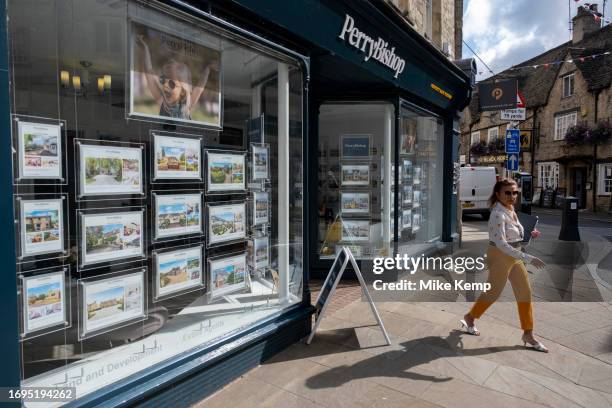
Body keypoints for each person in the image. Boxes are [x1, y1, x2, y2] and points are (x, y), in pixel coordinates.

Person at [460, 178, 549, 352]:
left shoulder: (511, 210)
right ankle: (470, 317)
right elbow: (501, 244)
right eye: (507, 192)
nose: (512, 196)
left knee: (525, 292)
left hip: (513, 255)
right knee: (493, 293)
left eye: (515, 192)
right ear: (498, 194)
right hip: (500, 255)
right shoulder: (497, 214)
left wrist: (530, 234)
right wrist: (529, 258)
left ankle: (528, 333)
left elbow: (514, 236)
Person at [137, 35, 218, 120]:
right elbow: (148, 71)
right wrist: (145, 49)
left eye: (172, 84)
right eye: (163, 80)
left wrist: (207, 69)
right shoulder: (162, 102)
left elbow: (199, 88)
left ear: (182, 92)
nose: (165, 85)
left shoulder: (187, 105)